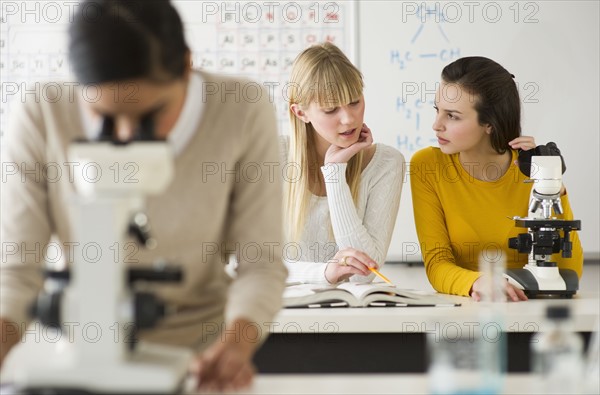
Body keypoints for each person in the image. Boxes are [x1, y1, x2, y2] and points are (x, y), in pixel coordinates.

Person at [0, 0, 287, 390]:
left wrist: (235, 346)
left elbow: (260, 264)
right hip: (79, 355)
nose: (124, 137)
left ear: (186, 66)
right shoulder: (42, 113)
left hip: (198, 357)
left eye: (150, 115)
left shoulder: (242, 109)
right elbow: (17, 269)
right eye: (103, 118)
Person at [410, 56, 583, 302]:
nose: (436, 125)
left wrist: (553, 185)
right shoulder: (428, 166)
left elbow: (570, 269)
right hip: (467, 307)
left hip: (529, 308)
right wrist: (476, 283)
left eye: (453, 116)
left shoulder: (532, 168)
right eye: (437, 110)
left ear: (489, 123)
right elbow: (437, 263)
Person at [282, 42, 405, 284]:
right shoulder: (271, 155)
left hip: (351, 314)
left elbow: (363, 274)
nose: (348, 119)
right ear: (300, 113)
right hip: (281, 315)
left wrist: (335, 173)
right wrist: (324, 274)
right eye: (330, 110)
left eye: (354, 102)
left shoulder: (387, 163)